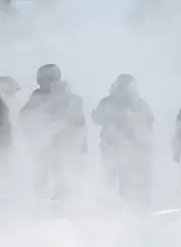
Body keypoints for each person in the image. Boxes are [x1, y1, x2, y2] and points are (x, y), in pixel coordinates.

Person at [19, 63, 87, 196]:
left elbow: (79, 125)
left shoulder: (70, 100)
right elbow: (23, 115)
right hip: (43, 145)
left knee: (62, 175)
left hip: (65, 145)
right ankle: (40, 198)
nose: (41, 84)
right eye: (40, 81)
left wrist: (83, 149)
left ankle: (63, 199)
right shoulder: (36, 98)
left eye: (43, 80)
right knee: (41, 175)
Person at [90, 74, 155, 204]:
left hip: (131, 152)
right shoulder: (108, 102)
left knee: (127, 184)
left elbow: (148, 125)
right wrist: (107, 115)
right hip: (110, 150)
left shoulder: (139, 104)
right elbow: (97, 119)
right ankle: (103, 207)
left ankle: (126, 209)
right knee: (107, 181)